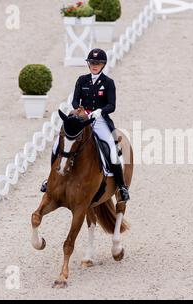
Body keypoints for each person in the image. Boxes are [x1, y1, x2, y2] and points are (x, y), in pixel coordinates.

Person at [40, 48, 130, 202]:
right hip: (82, 119)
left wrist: (99, 111)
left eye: (98, 63)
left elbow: (112, 105)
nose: (94, 65)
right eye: (92, 63)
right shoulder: (82, 80)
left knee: (112, 149)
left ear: (103, 65)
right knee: (57, 145)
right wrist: (79, 109)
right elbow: (75, 100)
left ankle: (121, 187)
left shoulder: (108, 83)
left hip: (99, 120)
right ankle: (51, 179)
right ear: (88, 64)